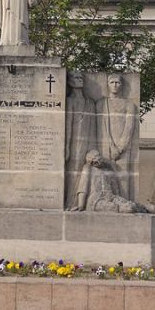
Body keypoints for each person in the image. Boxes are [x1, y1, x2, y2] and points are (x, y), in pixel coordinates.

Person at [70, 149, 150, 213]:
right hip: (96, 201)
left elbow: (115, 187)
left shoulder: (107, 169)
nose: (97, 162)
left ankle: (144, 208)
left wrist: (118, 198)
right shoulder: (88, 168)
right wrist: (81, 205)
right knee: (124, 208)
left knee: (127, 203)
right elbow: (83, 188)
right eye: (94, 161)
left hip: (111, 197)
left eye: (98, 159)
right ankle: (137, 208)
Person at [96, 74, 137, 198]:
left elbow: (129, 128)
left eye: (117, 82)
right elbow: (101, 127)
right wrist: (110, 146)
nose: (114, 85)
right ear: (107, 85)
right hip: (105, 146)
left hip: (122, 148)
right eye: (112, 82)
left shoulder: (129, 105)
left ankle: (124, 203)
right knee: (105, 177)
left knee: (123, 178)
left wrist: (120, 148)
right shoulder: (101, 103)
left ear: (122, 85)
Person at [65, 71, 96, 209]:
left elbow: (94, 125)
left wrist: (94, 147)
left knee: (87, 170)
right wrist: (66, 146)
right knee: (74, 172)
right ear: (70, 82)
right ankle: (71, 202)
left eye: (81, 77)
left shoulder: (90, 102)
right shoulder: (70, 101)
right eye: (76, 78)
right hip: (75, 143)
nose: (79, 80)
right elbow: (68, 126)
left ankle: (83, 202)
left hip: (88, 142)